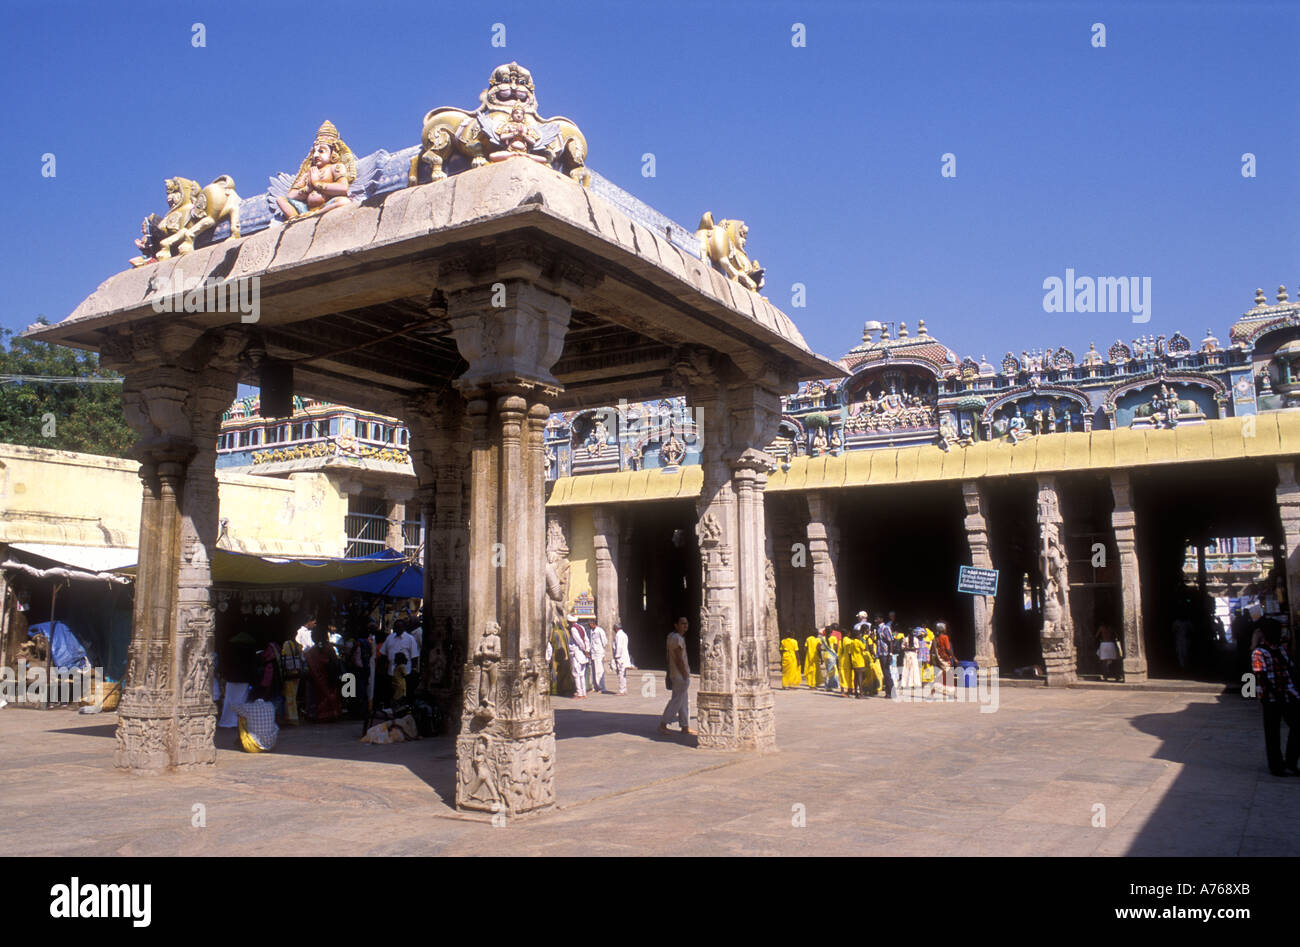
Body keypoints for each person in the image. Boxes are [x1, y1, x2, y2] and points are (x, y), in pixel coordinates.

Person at [1251, 619, 1299, 776]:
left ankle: (1291, 762)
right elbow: (1261, 676)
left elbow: (1290, 669)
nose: (1278, 635)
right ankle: (1276, 766)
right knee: (1272, 733)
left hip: (1289, 694)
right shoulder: (1259, 653)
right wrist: (1276, 695)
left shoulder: (1282, 649)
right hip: (1271, 698)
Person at [659, 616, 695, 736]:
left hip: (677, 674)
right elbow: (679, 658)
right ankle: (663, 724)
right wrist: (684, 673)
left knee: (683, 700)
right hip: (679, 674)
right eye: (683, 623)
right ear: (676, 625)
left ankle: (685, 726)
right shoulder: (676, 638)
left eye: (686, 623)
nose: (685, 625)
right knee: (677, 700)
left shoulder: (673, 637)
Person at [305, 628, 342, 722]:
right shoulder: (329, 648)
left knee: (318, 696)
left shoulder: (310, 652)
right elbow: (335, 662)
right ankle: (332, 714)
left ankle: (318, 715)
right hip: (329, 678)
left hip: (317, 679)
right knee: (330, 695)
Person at [279, 631, 305, 724]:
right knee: (293, 695)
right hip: (296, 673)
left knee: (290, 696)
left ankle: (291, 717)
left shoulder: (287, 644)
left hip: (289, 674)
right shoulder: (296, 645)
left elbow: (285, 655)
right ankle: (293, 716)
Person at [931, 621, 956, 696]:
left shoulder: (935, 638)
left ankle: (940, 689)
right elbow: (948, 649)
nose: (946, 629)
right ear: (942, 629)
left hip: (939, 658)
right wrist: (954, 658)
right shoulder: (945, 637)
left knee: (944, 674)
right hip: (945, 658)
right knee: (948, 674)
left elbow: (933, 649)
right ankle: (937, 688)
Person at [568, 615, 590, 699]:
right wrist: (587, 649)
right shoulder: (581, 627)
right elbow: (586, 639)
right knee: (582, 674)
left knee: (576, 674)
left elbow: (579, 641)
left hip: (577, 653)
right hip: (582, 653)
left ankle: (580, 693)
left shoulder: (573, 629)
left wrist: (584, 649)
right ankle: (583, 692)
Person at [872, 618, 894, 699]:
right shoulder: (877, 628)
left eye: (877, 618)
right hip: (880, 653)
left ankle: (891, 692)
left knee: (887, 673)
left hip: (885, 653)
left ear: (881, 619)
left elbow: (890, 641)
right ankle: (888, 693)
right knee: (885, 673)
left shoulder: (885, 628)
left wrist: (890, 654)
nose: (875, 620)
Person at [611, 621, 634, 695]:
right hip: (624, 656)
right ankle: (624, 689)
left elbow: (619, 647)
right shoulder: (624, 634)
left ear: (616, 628)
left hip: (620, 657)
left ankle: (621, 690)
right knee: (623, 674)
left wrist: (617, 656)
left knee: (620, 674)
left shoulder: (618, 635)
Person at [589, 621, 610, 694]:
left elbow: (604, 642)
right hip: (593, 653)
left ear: (594, 624)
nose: (589, 625)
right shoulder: (591, 631)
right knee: (593, 671)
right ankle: (595, 687)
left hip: (599, 653)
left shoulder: (600, 631)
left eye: (590, 624)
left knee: (599, 671)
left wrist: (603, 653)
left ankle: (602, 688)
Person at [820, 628, 839, 692]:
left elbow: (819, 647)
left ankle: (832, 684)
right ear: (831, 632)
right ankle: (828, 685)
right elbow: (836, 647)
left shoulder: (822, 638)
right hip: (831, 655)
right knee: (831, 670)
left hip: (825, 655)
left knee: (830, 670)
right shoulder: (833, 638)